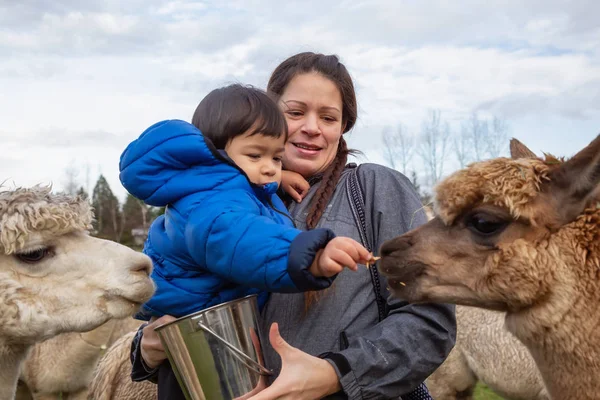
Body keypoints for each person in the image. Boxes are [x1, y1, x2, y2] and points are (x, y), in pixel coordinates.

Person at [132, 53, 456, 400]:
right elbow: (184, 289)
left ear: (343, 126)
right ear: (268, 117)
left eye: (329, 117)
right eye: (296, 112)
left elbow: (429, 322)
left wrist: (337, 373)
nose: (312, 127)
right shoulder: (219, 197)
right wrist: (147, 347)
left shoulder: (375, 189)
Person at [119, 84, 371, 321]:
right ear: (217, 154)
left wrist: (278, 176)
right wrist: (308, 256)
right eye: (255, 155)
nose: (270, 168)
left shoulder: (218, 187)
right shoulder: (211, 205)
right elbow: (240, 238)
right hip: (200, 318)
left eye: (276, 158)